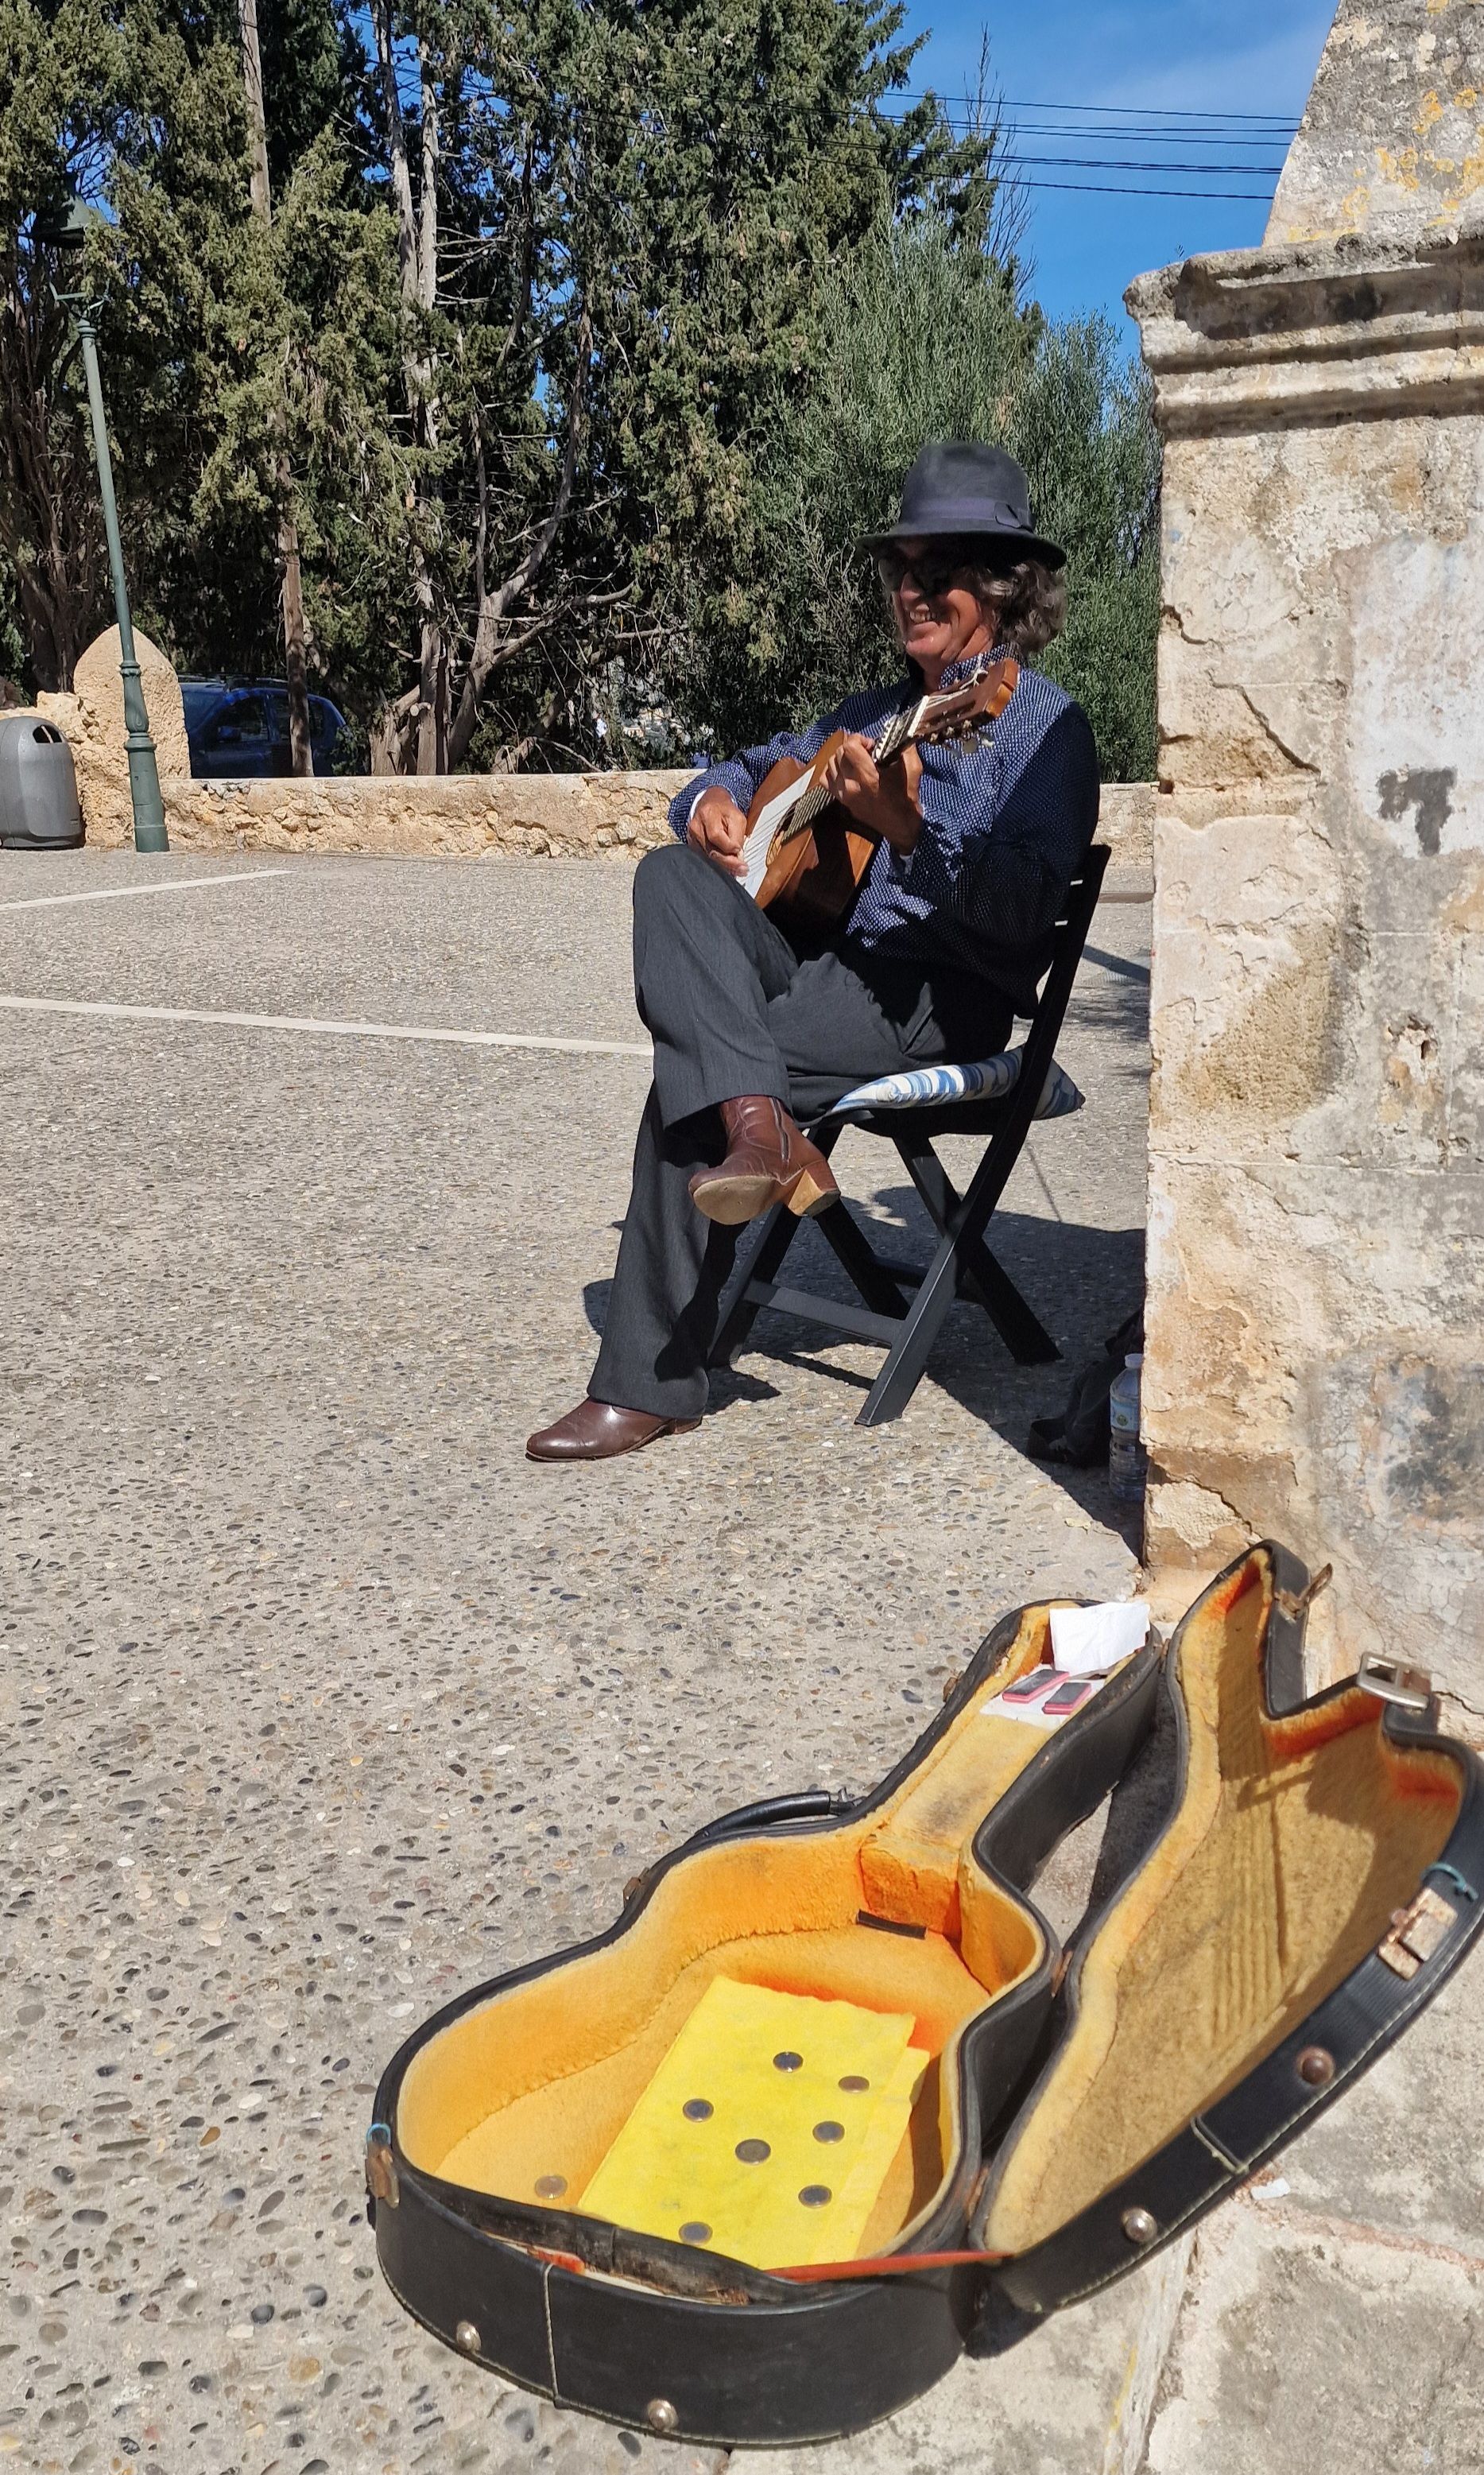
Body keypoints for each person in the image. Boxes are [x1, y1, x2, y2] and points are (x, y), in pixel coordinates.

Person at [526, 440, 1098, 1462]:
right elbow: (745, 767)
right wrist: (704, 799)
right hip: (830, 968)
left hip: (938, 992)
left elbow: (1018, 912)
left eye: (940, 570)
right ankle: (762, 1124)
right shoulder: (871, 714)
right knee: (669, 876)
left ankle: (653, 1380)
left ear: (1004, 589)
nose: (911, 590)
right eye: (899, 571)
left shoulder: (1045, 732)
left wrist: (913, 833)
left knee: (693, 1075)